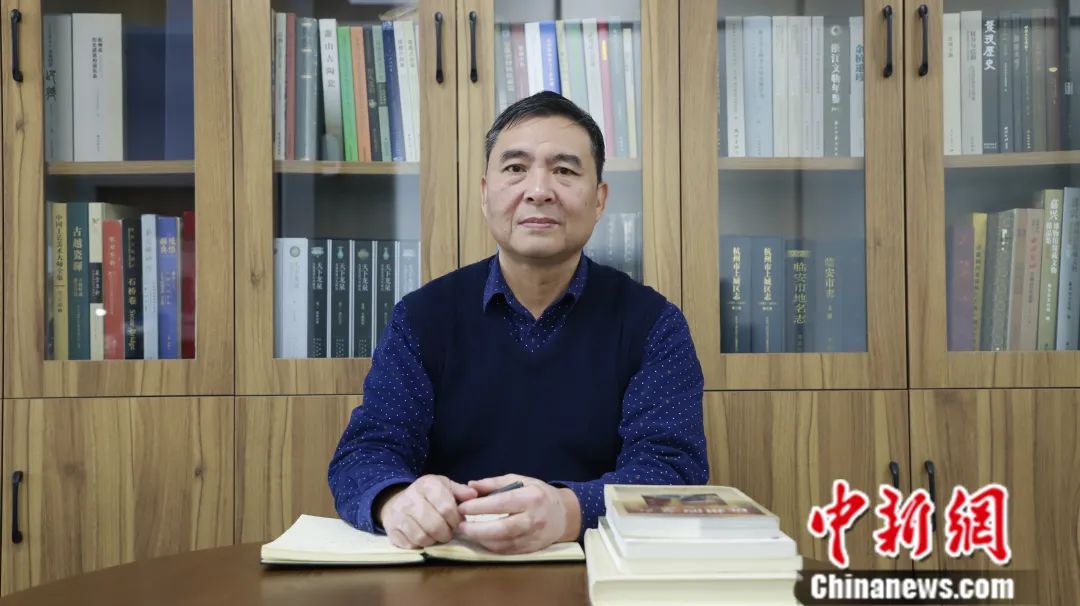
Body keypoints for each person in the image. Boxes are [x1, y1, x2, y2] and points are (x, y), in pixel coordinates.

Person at [328, 91, 708, 555]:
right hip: (449, 567)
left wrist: (569, 511)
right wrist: (396, 500)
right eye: (515, 168)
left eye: (564, 171)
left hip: (599, 570)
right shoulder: (423, 317)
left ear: (599, 200)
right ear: (485, 193)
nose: (539, 190)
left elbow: (673, 474)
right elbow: (366, 453)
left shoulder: (654, 325)